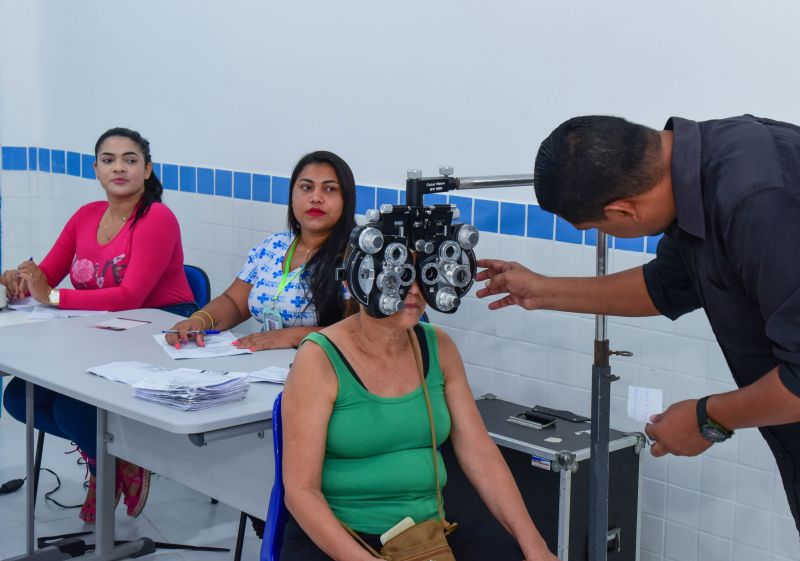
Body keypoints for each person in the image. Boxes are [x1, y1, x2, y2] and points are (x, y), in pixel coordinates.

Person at [476, 115, 800, 532]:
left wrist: (708, 419)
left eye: (595, 227)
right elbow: (665, 285)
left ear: (622, 210)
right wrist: (540, 291)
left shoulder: (759, 200)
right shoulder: (699, 169)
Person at [281, 275, 558, 561]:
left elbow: (480, 454)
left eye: (421, 276)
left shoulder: (439, 345)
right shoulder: (319, 357)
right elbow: (302, 491)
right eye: (397, 277)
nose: (414, 290)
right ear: (359, 278)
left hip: (426, 535)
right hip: (339, 538)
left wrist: (536, 547)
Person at [1, 127, 196, 523]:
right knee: (20, 397)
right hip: (100, 330)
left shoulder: (156, 217)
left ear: (147, 169)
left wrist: (51, 297)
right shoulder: (86, 215)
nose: (119, 168)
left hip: (159, 327)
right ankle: (108, 458)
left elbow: (130, 296)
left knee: (74, 405)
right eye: (108, 160)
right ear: (96, 168)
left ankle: (116, 461)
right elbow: (49, 274)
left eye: (130, 159)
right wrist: (22, 280)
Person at [165, 150, 356, 351]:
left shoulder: (357, 258)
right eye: (306, 187)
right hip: (268, 366)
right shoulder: (273, 246)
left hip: (327, 368)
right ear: (292, 196)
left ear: (347, 200)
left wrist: (293, 337)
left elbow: (361, 332)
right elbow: (234, 303)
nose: (316, 197)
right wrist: (200, 320)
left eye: (330, 189)